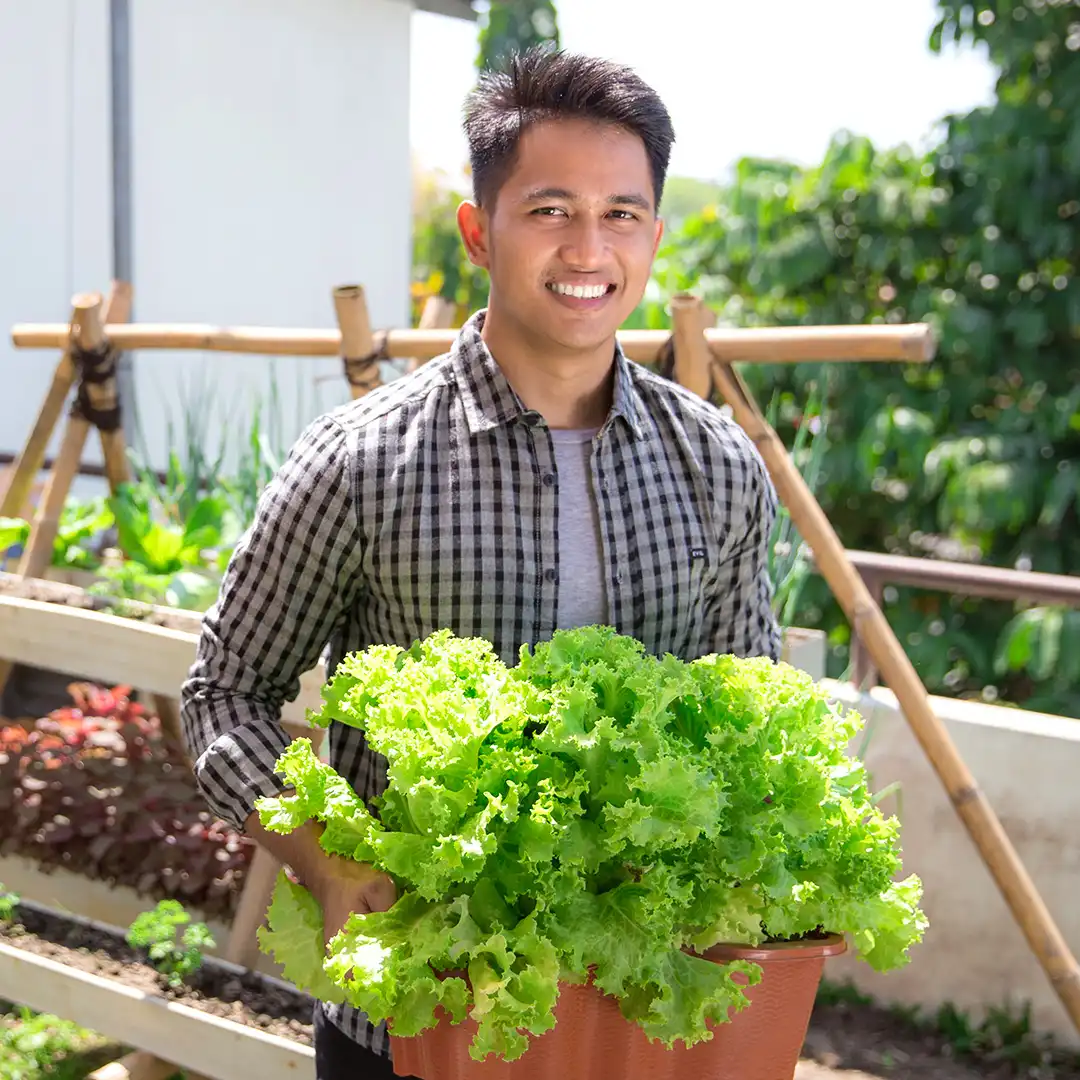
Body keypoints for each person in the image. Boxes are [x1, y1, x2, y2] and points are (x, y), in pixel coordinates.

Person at [180, 45, 781, 1080]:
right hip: (415, 1024)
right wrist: (329, 859)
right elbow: (222, 693)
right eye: (550, 210)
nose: (589, 247)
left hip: (635, 1020)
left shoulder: (716, 464)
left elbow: (752, 717)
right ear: (478, 231)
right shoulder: (361, 462)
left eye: (622, 214)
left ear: (654, 236)